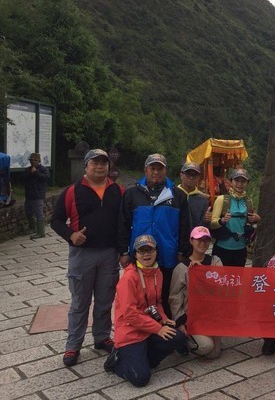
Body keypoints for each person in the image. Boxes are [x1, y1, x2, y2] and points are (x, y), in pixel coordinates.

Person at [51, 149, 124, 366]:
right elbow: (56, 221)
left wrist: (123, 251)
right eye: (95, 163)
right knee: (79, 303)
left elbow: (123, 221)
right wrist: (71, 235)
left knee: (105, 300)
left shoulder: (118, 191)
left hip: (109, 254)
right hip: (82, 255)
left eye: (104, 163)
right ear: (86, 166)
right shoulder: (72, 192)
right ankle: (73, 345)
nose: (100, 167)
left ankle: (101, 337)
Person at [104, 234, 186, 387]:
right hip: (131, 332)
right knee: (141, 379)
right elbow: (130, 315)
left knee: (178, 337)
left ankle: (143, 360)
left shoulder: (157, 272)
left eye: (150, 250)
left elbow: (158, 302)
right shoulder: (129, 278)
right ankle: (116, 361)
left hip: (149, 329)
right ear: (135, 254)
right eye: (141, 251)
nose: (146, 254)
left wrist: (163, 318)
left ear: (156, 251)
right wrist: (158, 328)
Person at [118, 153, 190, 317]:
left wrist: (181, 252)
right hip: (140, 255)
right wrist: (122, 252)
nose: (156, 172)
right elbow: (122, 224)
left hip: (168, 255)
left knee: (164, 296)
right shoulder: (132, 193)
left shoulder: (177, 195)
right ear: (145, 170)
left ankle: (166, 332)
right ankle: (143, 332)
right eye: (152, 168)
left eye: (160, 168)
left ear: (165, 171)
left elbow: (184, 227)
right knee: (139, 296)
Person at [169, 226, 223, 359]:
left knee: (216, 353)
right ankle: (183, 340)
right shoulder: (182, 268)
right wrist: (180, 321)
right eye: (199, 239)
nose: (202, 243)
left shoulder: (215, 261)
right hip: (191, 317)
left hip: (211, 315)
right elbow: (174, 297)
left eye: (206, 240)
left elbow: (222, 285)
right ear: (191, 240)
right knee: (207, 347)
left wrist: (203, 271)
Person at [210, 168, 260, 267]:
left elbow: (251, 221)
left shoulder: (248, 201)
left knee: (237, 279)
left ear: (247, 183)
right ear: (231, 181)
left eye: (243, 181)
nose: (239, 184)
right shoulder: (222, 199)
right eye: (237, 180)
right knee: (219, 279)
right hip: (222, 247)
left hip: (240, 248)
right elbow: (212, 223)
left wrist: (256, 219)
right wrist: (222, 220)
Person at [177, 162, 212, 254]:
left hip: (194, 245)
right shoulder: (172, 195)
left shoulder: (203, 200)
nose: (191, 177)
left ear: (198, 178)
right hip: (174, 242)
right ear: (181, 175)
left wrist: (206, 220)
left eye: (194, 175)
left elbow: (203, 227)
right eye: (188, 174)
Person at [23, 152, 50, 239]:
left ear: (39, 161)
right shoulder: (28, 169)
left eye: (35, 160)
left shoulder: (43, 169)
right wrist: (30, 173)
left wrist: (36, 172)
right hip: (29, 195)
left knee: (39, 213)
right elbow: (22, 179)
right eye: (31, 160)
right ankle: (32, 228)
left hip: (38, 195)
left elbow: (46, 178)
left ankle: (41, 232)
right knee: (28, 212)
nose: (33, 161)